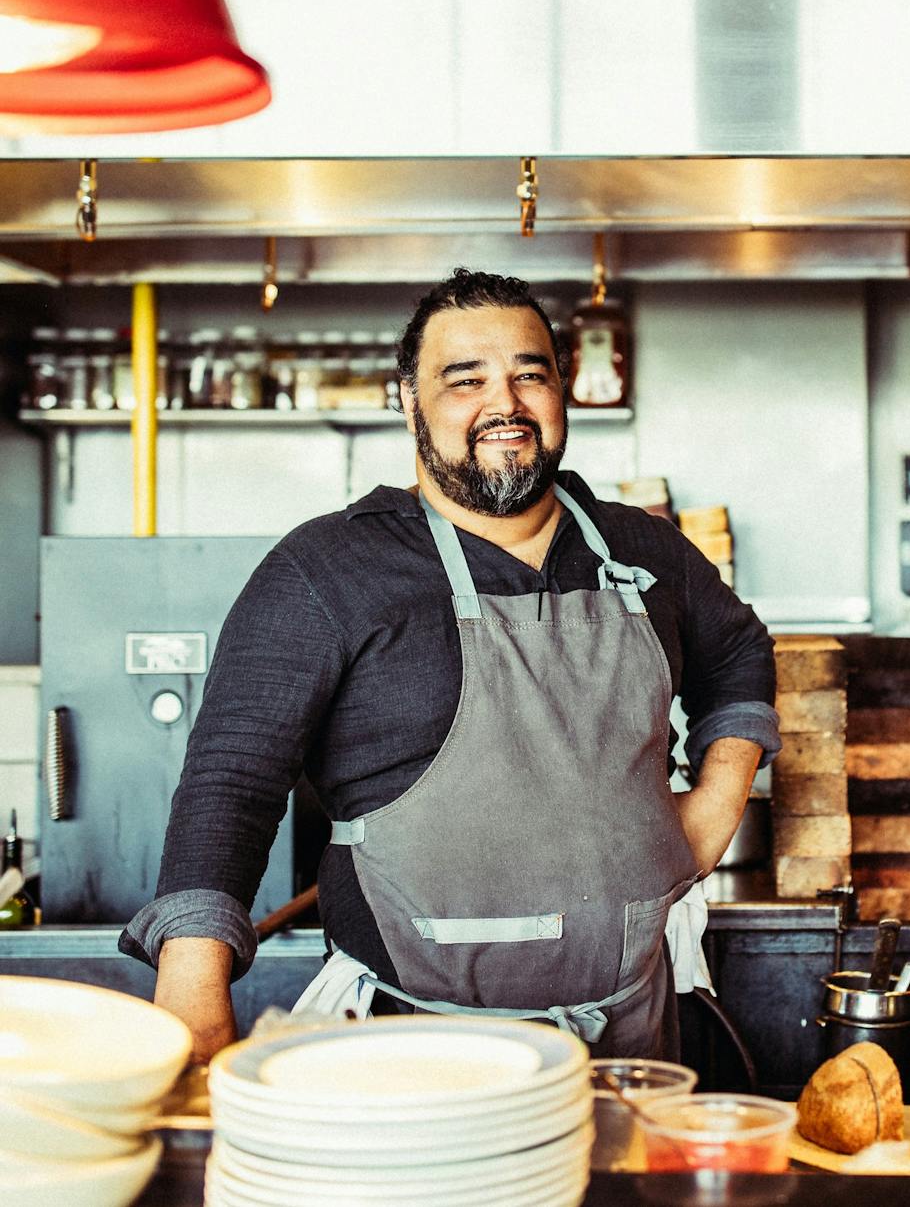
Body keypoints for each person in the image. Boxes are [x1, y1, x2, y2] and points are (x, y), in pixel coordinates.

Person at [120, 268, 780, 1063]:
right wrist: (193, 992)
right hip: (413, 1050)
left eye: (528, 375)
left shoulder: (641, 548)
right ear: (408, 401)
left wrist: (716, 804)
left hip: (632, 1041)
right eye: (465, 381)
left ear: (560, 390)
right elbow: (231, 784)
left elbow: (740, 651)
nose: (504, 404)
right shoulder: (327, 568)